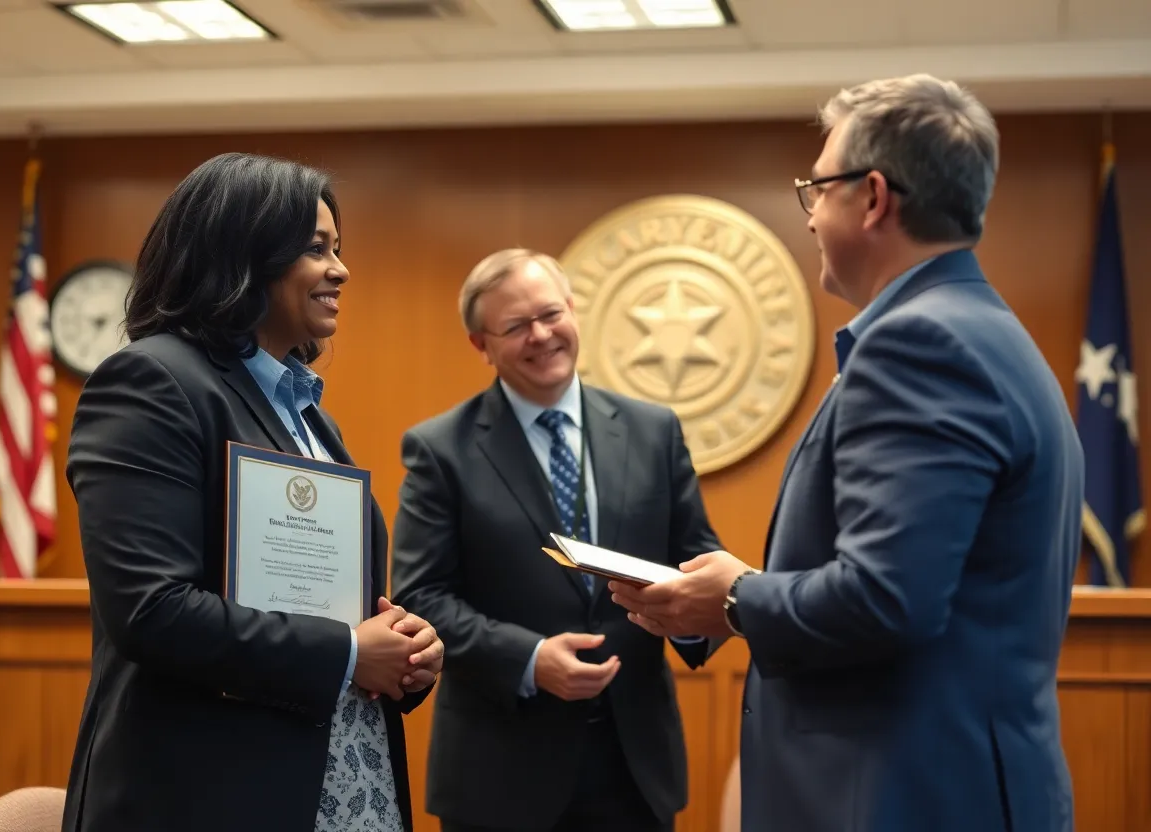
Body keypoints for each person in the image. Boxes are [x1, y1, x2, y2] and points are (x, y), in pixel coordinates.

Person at [610, 74, 1082, 832]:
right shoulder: (985, 330)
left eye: (816, 190)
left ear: (871, 198)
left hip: (903, 796)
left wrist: (734, 598)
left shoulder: (918, 344)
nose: (809, 218)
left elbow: (886, 601)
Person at [61, 152, 443, 832]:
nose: (341, 269)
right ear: (241, 255)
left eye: (339, 248)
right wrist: (353, 652)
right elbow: (152, 610)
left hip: (339, 779)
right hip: (207, 792)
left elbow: (327, 605)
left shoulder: (306, 412)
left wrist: (403, 651)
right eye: (315, 249)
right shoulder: (151, 383)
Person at [390, 249, 724, 832]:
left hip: (634, 767)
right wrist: (530, 659)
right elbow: (422, 597)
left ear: (572, 310)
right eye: (516, 326)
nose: (541, 336)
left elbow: (696, 561)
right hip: (501, 771)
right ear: (481, 345)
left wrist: (691, 616)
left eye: (550, 314)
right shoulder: (440, 449)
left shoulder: (654, 431)